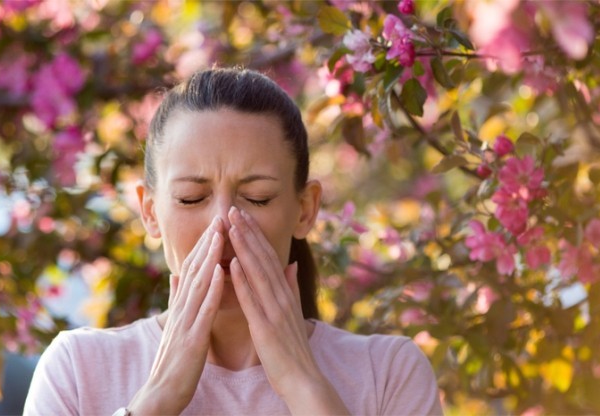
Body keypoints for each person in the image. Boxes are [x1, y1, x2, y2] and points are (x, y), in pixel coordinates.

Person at [23, 67, 443, 415]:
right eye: (191, 198)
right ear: (150, 212)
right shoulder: (78, 370)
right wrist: (160, 396)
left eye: (257, 197)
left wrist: (303, 385)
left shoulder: (387, 373)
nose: (223, 222)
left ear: (305, 209)